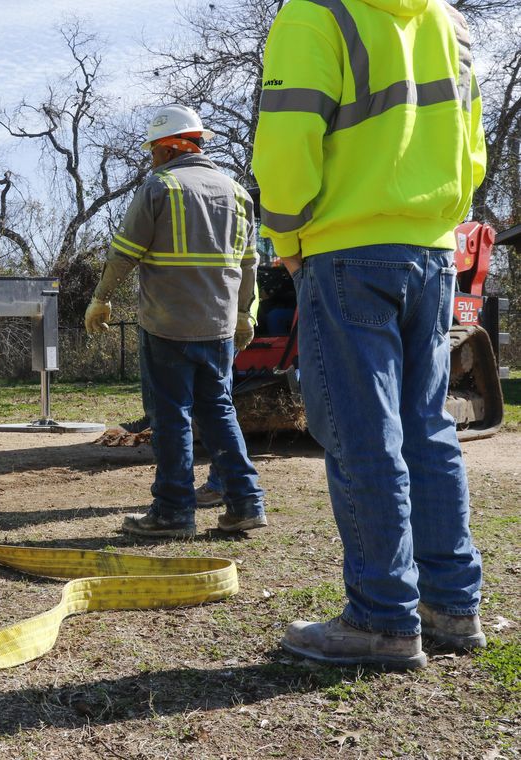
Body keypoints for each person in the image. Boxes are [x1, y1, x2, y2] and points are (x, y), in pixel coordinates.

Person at [252, 0, 487, 669]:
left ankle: (383, 619)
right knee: (428, 427)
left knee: (364, 432)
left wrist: (290, 235)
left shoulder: (315, 12)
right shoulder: (450, 21)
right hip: (432, 248)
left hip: (347, 248)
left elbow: (288, 138)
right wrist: (436, 220)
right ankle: (452, 606)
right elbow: (470, 145)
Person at [85, 104, 265, 539]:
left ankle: (172, 511)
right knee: (219, 411)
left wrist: (100, 299)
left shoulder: (159, 187)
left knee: (171, 417)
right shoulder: (236, 192)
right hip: (219, 327)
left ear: (168, 149)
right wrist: (245, 313)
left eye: (153, 151)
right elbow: (249, 263)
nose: (151, 159)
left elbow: (124, 253)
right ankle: (245, 503)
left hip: (167, 326)